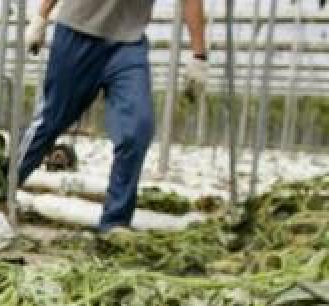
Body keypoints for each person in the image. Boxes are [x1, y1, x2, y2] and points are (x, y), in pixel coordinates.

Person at [19, 0, 208, 233]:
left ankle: (115, 223)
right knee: (51, 121)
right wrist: (41, 16)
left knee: (137, 130)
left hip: (129, 43)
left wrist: (199, 55)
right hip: (78, 32)